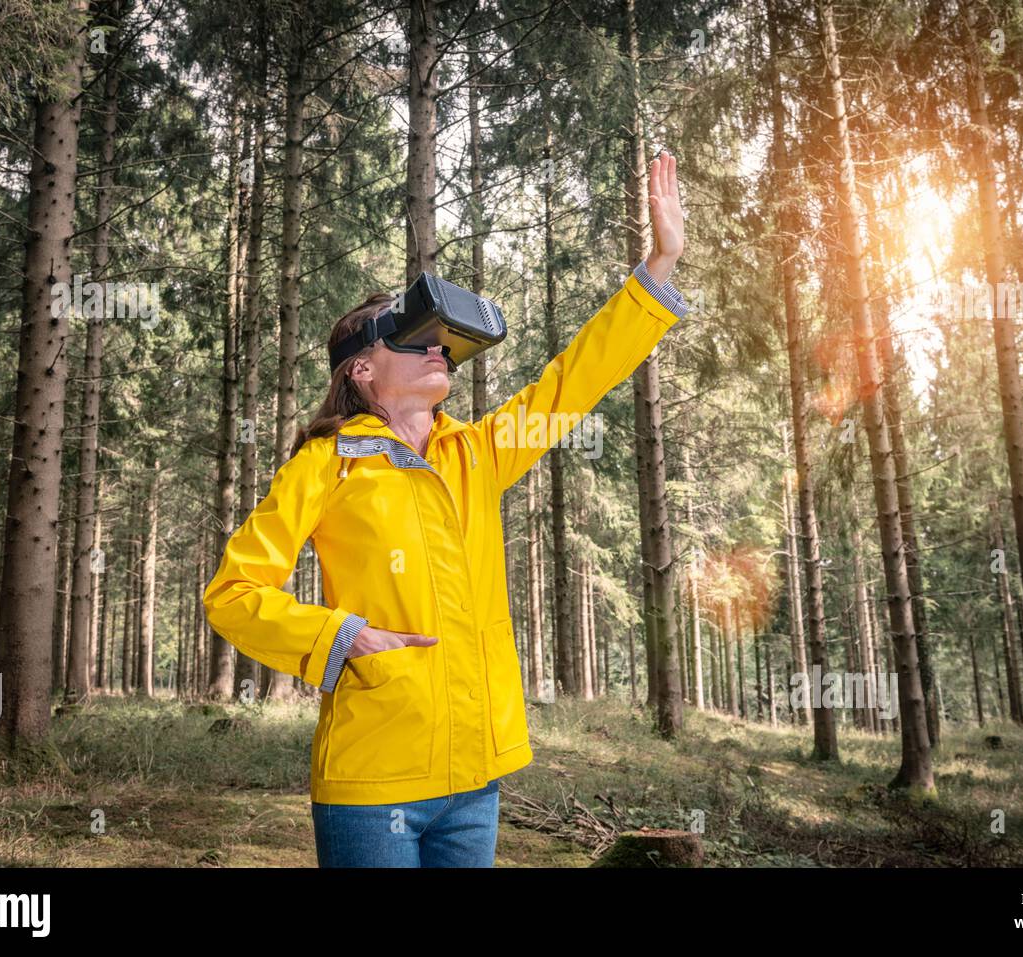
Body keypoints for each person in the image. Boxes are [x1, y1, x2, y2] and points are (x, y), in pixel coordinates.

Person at [202, 150, 688, 867]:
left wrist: (659, 267)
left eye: (439, 341)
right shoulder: (326, 463)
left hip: (475, 780)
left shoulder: (479, 452)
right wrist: (342, 635)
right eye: (412, 337)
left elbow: (572, 383)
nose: (437, 348)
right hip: (374, 781)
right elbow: (232, 594)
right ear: (361, 370)